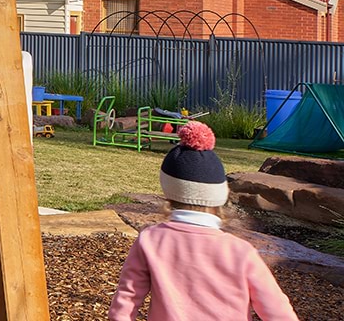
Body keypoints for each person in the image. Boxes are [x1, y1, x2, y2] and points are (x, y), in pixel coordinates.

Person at [109, 121, 296, 321]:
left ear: (169, 192)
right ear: (219, 196)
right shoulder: (240, 252)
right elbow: (278, 312)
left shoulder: (150, 240)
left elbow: (125, 302)